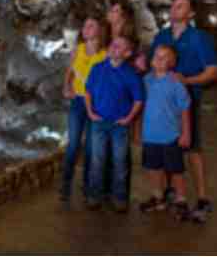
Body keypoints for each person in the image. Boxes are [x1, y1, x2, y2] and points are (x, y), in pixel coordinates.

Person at [149, 0, 217, 223]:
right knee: (167, 146)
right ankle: (171, 193)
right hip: (163, 102)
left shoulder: (199, 38)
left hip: (188, 98)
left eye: (180, 6)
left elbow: (212, 70)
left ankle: (202, 199)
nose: (174, 8)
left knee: (193, 148)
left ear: (190, 14)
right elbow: (152, 65)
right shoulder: (162, 36)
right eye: (173, 5)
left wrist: (187, 81)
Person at [85, 35, 144, 212]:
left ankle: (119, 198)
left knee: (119, 162)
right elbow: (88, 92)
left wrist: (128, 118)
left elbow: (138, 100)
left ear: (127, 53)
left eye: (119, 47)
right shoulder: (97, 68)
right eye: (113, 44)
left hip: (119, 125)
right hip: (99, 122)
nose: (113, 47)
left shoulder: (130, 74)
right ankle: (94, 196)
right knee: (97, 160)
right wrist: (90, 112)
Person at [138, 45, 191, 221]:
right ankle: (158, 198)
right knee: (154, 169)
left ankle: (181, 201)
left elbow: (185, 109)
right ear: (151, 60)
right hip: (150, 135)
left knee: (176, 171)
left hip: (171, 135)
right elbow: (141, 105)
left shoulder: (176, 82)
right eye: (157, 56)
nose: (159, 59)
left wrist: (186, 133)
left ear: (172, 62)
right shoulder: (147, 80)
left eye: (164, 57)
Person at [60, 16, 108, 203]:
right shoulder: (78, 50)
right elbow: (70, 71)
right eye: (85, 25)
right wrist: (66, 87)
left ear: (99, 31)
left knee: (91, 147)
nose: (86, 28)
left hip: (96, 103)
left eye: (91, 25)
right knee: (73, 144)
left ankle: (88, 185)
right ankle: (66, 184)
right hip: (78, 101)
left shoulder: (104, 54)